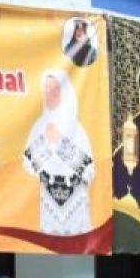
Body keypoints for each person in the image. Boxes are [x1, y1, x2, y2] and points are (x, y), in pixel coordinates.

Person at [22, 70, 95, 236]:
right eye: (46, 91)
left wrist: (60, 142)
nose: (50, 95)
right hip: (48, 213)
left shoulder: (77, 129)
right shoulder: (39, 127)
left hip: (76, 214)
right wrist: (47, 143)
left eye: (55, 90)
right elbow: (27, 166)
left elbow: (89, 171)